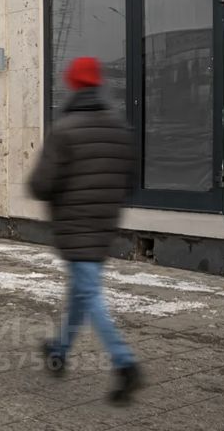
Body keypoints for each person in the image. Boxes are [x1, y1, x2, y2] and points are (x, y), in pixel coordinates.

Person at [29, 56, 141, 405]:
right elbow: (130, 182)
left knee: (88, 292)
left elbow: (41, 184)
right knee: (81, 291)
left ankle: (124, 363)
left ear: (73, 84)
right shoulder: (119, 129)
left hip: (75, 225)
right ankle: (59, 350)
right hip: (104, 223)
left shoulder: (65, 129)